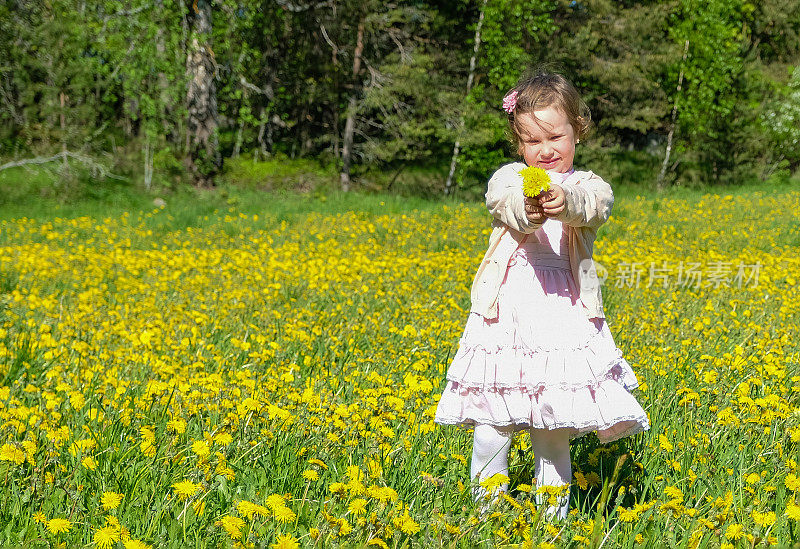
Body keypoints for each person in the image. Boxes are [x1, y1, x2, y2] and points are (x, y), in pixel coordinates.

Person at [434, 70, 649, 519]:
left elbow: (594, 206)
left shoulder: (588, 184)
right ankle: (485, 514)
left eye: (555, 136)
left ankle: (552, 522)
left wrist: (562, 202)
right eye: (533, 141)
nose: (545, 150)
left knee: (553, 429)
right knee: (493, 424)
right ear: (519, 146)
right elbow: (504, 202)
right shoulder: (509, 178)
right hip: (507, 316)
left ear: (578, 131)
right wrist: (530, 209)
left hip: (563, 317)